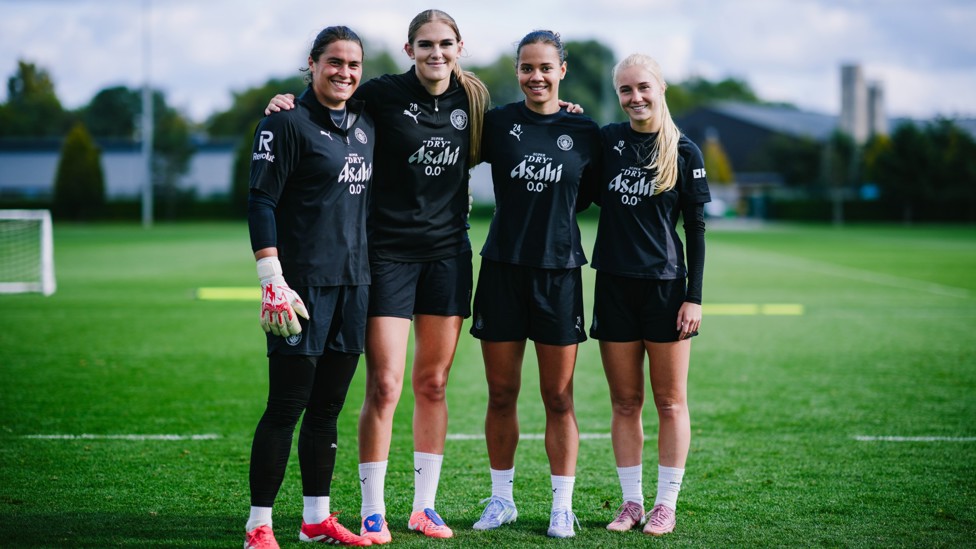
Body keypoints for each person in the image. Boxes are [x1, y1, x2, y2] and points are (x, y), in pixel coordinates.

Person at [264, 9, 491, 544]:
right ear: (409, 49)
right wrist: (285, 103)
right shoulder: (383, 93)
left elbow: (529, 126)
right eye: (425, 44)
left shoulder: (475, 101)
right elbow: (327, 106)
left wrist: (566, 110)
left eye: (445, 44)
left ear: (460, 48)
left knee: (432, 383)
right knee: (385, 384)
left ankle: (424, 507)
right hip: (385, 256)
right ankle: (372, 510)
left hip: (448, 256)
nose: (436, 53)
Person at [243, 25, 375, 549]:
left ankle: (316, 519)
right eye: (334, 62)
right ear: (313, 64)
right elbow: (260, 202)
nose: (344, 72)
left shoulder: (366, 122)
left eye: (353, 65)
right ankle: (258, 526)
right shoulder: (285, 123)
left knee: (327, 410)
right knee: (287, 405)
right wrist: (271, 278)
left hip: (354, 286)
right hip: (301, 290)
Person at [469, 30, 601, 539]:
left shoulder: (585, 130)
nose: (536, 77)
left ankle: (560, 506)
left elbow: (591, 195)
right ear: (518, 70)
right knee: (501, 393)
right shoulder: (498, 123)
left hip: (559, 274)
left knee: (559, 398)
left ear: (562, 70)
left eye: (545, 67)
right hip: (502, 269)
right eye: (527, 68)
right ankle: (501, 500)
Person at [590, 53, 710, 537]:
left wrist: (694, 297)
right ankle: (631, 502)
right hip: (614, 286)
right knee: (624, 402)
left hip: (665, 290)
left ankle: (665, 504)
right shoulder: (608, 142)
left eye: (642, 87)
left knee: (670, 403)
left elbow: (697, 231)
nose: (634, 97)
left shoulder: (685, 151)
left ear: (660, 88)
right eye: (625, 90)